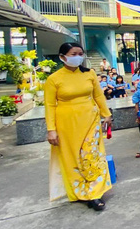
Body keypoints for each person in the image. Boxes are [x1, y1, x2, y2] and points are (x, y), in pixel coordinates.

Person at [44, 42, 113, 211]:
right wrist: (51, 129)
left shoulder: (89, 74)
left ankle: (95, 193)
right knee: (72, 158)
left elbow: (98, 95)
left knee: (92, 156)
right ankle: (81, 192)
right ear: (62, 57)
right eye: (73, 53)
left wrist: (107, 114)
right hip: (66, 123)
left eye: (80, 53)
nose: (78, 57)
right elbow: (49, 105)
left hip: (90, 120)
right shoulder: (54, 79)